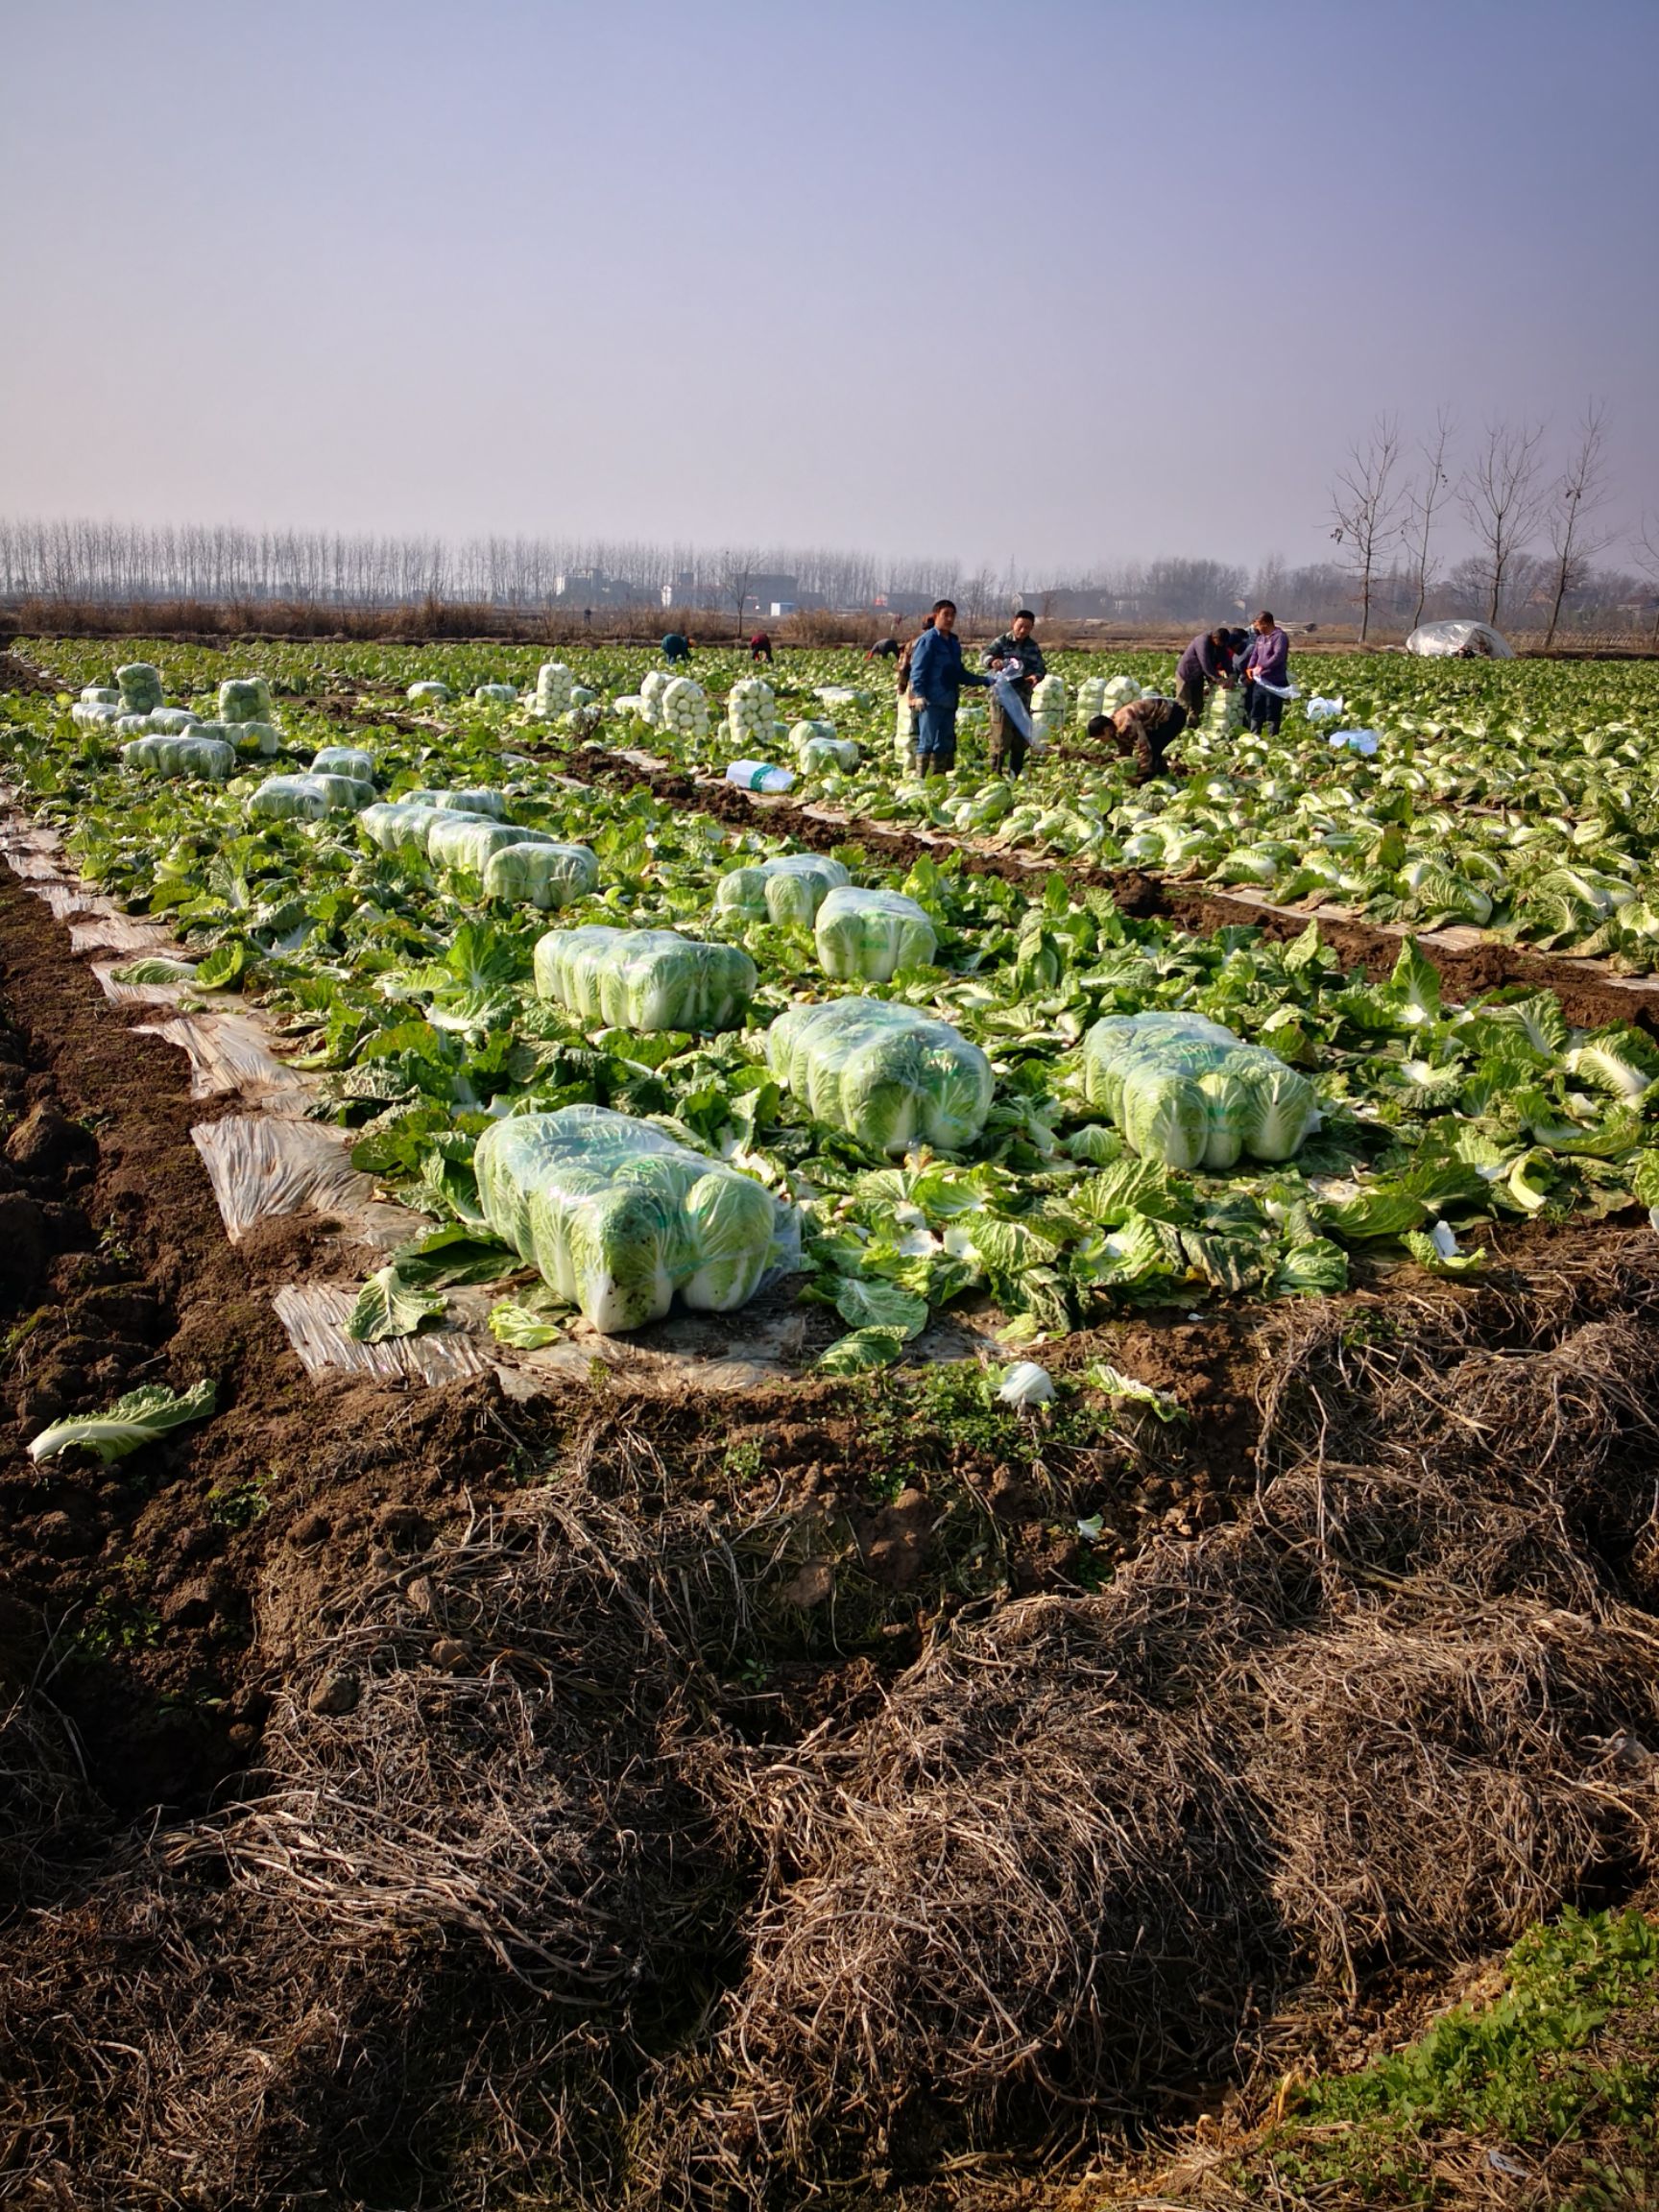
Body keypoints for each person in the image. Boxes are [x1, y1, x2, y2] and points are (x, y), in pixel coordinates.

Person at [906, 599, 991, 778]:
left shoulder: (953, 643)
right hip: (931, 700)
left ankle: (938, 779)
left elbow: (959, 673)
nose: (950, 619)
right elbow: (918, 670)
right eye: (946, 615)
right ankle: (920, 779)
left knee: (944, 743)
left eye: (953, 615)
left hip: (949, 700)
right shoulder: (928, 641)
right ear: (936, 616)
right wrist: (919, 694)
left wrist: (983, 680)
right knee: (926, 742)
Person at [981, 608, 1046, 777]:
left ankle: (1014, 776)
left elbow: (1040, 668)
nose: (1023, 630)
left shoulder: (1032, 647)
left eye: (1027, 627)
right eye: (1020, 626)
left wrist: (1035, 677)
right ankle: (995, 775)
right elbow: (984, 656)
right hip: (1002, 699)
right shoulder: (1002, 641)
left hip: (1023, 698)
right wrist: (993, 661)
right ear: (1013, 623)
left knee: (1020, 740)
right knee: (1000, 738)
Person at [1087, 696, 1190, 783]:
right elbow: (1125, 747)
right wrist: (1121, 764)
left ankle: (1151, 778)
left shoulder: (1126, 724)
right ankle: (1160, 773)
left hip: (1173, 715)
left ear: (1106, 730)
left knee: (1153, 748)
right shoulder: (1115, 728)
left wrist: (1141, 770)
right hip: (1158, 722)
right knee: (1153, 749)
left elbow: (1143, 746)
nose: (1101, 741)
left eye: (1100, 738)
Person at [1240, 610, 1290, 734]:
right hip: (1260, 681)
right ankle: (1254, 735)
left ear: (1265, 624)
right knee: (1257, 708)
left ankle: (1273, 736)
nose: (1256, 628)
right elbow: (1255, 654)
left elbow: (1278, 656)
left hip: (1275, 681)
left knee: (1272, 709)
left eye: (1258, 625)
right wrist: (1250, 667)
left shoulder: (1280, 637)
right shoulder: (1260, 638)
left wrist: (1262, 666)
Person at [895, 614, 932, 774]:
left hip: (916, 694)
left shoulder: (912, 645)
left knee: (916, 732)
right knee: (931, 732)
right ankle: (929, 768)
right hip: (935, 695)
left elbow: (904, 670)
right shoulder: (940, 643)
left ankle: (918, 767)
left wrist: (901, 689)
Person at [1174, 627, 1234, 728]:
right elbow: (1205, 663)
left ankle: (1192, 726)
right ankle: (1176, 728)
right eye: (1220, 643)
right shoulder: (1203, 641)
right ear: (1215, 638)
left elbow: (1225, 658)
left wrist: (1231, 674)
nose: (1222, 646)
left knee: (1197, 704)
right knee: (1183, 703)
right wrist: (1219, 679)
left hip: (1198, 675)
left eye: (1223, 644)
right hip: (1187, 673)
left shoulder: (1220, 643)